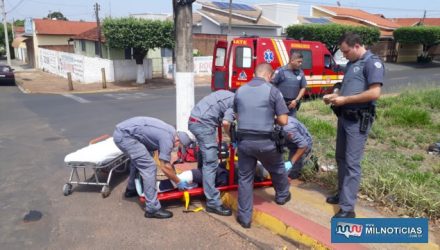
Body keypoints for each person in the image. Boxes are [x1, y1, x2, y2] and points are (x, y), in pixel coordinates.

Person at [323, 32, 383, 218]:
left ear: (357, 45)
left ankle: (348, 209)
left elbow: (374, 93)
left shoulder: (372, 63)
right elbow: (346, 87)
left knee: (351, 163)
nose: (344, 55)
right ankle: (342, 194)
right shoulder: (351, 64)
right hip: (344, 117)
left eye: (346, 51)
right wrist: (335, 95)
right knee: (340, 158)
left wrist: (346, 99)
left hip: (358, 120)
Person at [234, 63, 290, 228]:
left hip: (244, 142)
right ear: (270, 75)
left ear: (254, 73)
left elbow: (237, 114)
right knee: (277, 167)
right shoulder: (273, 91)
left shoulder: (240, 90)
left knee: (245, 178)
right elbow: (284, 120)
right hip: (266, 142)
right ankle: (282, 196)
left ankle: (244, 218)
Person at [113, 116, 194, 219]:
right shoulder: (168, 139)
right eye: (179, 146)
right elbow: (164, 167)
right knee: (149, 167)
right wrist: (178, 182)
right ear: (178, 140)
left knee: (141, 159)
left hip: (125, 132)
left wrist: (172, 174)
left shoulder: (171, 131)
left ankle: (131, 189)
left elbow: (165, 161)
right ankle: (152, 209)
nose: (176, 148)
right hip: (125, 136)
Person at [188, 90, 235, 216]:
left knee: (205, 157)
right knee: (211, 163)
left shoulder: (226, 93)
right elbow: (226, 122)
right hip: (203, 124)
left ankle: (204, 186)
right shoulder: (237, 101)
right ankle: (213, 203)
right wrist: (232, 137)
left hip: (195, 120)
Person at [271, 52, 307, 117]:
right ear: (292, 60)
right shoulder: (281, 71)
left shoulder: (301, 72)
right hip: (280, 103)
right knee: (279, 123)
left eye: (301, 62)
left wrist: (296, 100)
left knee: (291, 123)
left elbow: (303, 87)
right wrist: (278, 99)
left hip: (293, 104)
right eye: (299, 62)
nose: (300, 64)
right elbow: (272, 85)